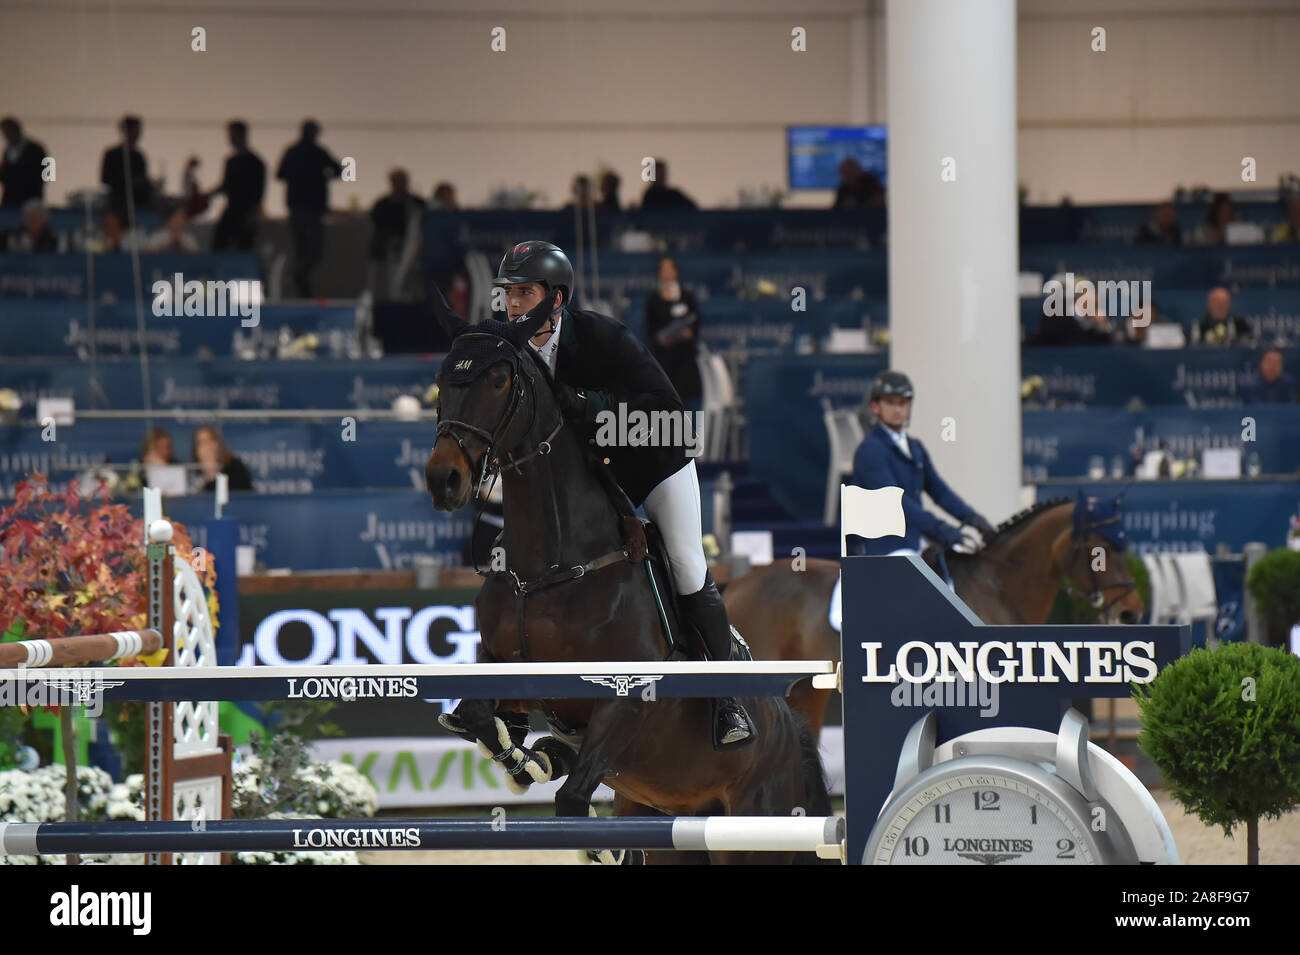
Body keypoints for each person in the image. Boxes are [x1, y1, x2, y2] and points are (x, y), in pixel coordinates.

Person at [433, 240, 755, 749]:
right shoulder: (510, 349)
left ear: (555, 299)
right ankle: (503, 702)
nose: (513, 304)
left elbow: (666, 408)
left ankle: (727, 697)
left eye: (525, 292)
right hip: (587, 478)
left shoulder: (603, 337)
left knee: (688, 563)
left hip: (651, 465)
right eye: (508, 293)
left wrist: (587, 404)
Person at [850, 371, 995, 557]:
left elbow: (940, 492)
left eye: (902, 403)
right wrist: (940, 527)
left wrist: (973, 518)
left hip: (918, 539)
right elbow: (895, 501)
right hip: (887, 546)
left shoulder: (915, 447)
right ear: (875, 407)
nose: (897, 410)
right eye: (890, 403)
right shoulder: (870, 450)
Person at [275, 120, 342, 297]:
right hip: (312, 210)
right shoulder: (318, 153)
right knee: (312, 252)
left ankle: (302, 287)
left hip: (297, 209)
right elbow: (340, 171)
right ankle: (301, 283)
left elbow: (280, 174)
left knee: (303, 252)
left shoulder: (293, 152)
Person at [643, 256, 702, 409]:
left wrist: (688, 333)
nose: (667, 273)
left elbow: (695, 322)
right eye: (664, 269)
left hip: (684, 361)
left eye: (670, 269)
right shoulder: (653, 300)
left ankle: (686, 432)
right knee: (664, 405)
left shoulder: (687, 297)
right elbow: (650, 331)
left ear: (676, 272)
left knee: (685, 404)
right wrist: (663, 339)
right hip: (664, 361)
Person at [210, 121, 266, 251]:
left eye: (231, 134)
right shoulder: (233, 161)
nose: (229, 138)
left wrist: (254, 213)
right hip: (233, 209)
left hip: (246, 212)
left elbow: (259, 192)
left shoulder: (255, 163)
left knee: (241, 247)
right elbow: (226, 186)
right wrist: (208, 195)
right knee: (220, 244)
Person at [100, 115, 153, 216]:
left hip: (139, 203)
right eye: (135, 130)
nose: (138, 134)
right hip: (118, 203)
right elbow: (105, 178)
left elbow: (144, 179)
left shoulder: (139, 156)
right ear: (126, 131)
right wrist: (128, 180)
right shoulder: (112, 154)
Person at [0, 117, 48, 209]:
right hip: (10, 200)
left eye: (8, 132)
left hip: (30, 200)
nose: (6, 136)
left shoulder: (36, 150)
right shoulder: (8, 151)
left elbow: (44, 175)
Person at [192, 426, 253, 492]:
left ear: (218, 443)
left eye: (210, 440)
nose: (207, 446)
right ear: (196, 450)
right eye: (202, 442)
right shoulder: (193, 474)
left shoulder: (235, 468)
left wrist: (213, 472)